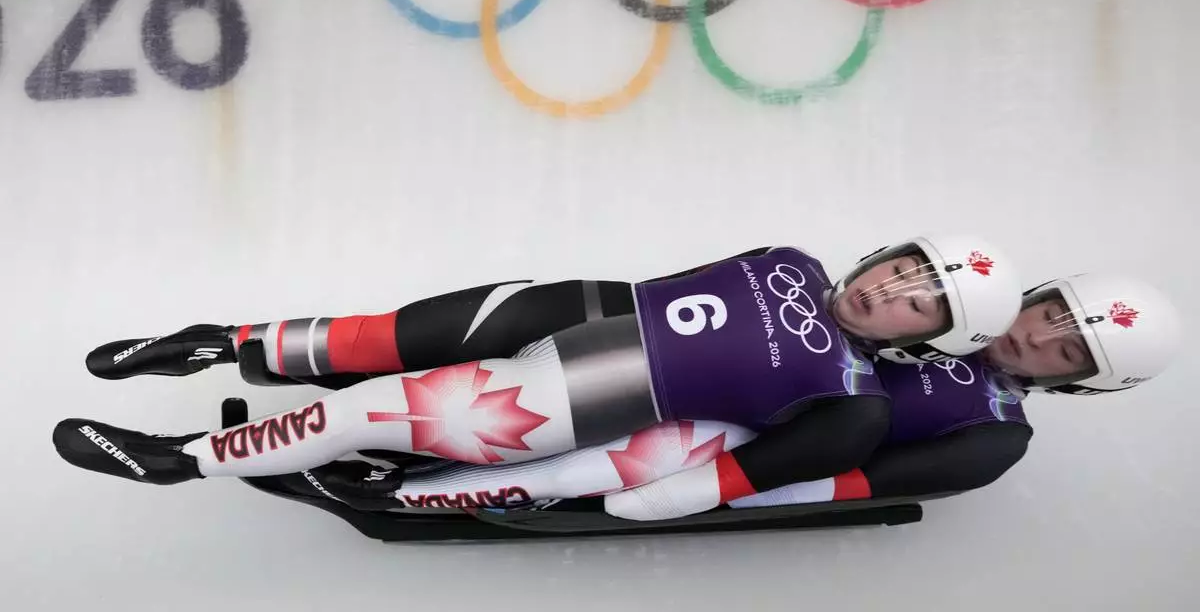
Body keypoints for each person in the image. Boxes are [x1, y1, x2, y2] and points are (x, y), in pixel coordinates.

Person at [53, 236, 1022, 517]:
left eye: (919, 301)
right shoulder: (795, 259)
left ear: (931, 341)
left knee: (358, 412)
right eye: (903, 268)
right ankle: (224, 340)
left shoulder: (850, 397)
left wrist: (685, 490)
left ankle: (181, 458)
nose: (891, 290)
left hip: (581, 398)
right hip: (580, 308)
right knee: (386, 334)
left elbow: (768, 462)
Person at [234, 270, 1181, 523]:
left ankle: (401, 490)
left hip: (737, 443)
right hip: (719, 375)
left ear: (1083, 384)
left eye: (1066, 350)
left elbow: (855, 478)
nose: (1036, 337)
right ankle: (343, 387)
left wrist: (719, 487)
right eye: (1054, 313)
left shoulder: (995, 436)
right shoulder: (954, 302)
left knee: (622, 455)